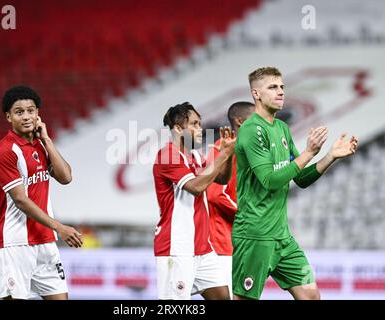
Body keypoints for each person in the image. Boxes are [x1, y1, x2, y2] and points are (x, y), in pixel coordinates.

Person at [232, 67, 358, 300]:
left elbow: (299, 178)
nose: (280, 92)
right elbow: (270, 180)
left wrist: (330, 156)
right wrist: (309, 152)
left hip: (282, 237)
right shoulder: (251, 131)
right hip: (255, 235)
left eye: (282, 87)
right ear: (256, 94)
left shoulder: (281, 128)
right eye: (272, 87)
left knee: (311, 296)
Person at [0, 85, 83, 300]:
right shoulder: (5, 151)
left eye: (31, 111)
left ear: (38, 114)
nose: (26, 117)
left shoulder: (41, 146)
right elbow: (21, 200)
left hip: (45, 242)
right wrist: (60, 227)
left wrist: (47, 141)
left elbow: (66, 177)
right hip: (15, 244)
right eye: (19, 112)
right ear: (8, 117)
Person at [153, 102, 235, 300]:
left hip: (202, 248)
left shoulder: (196, 156)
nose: (200, 129)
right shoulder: (168, 155)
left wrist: (227, 155)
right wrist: (222, 155)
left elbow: (222, 179)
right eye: (195, 124)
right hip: (177, 248)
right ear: (179, 128)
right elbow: (197, 188)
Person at [206, 101, 254, 299]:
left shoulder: (251, 150)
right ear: (240, 121)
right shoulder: (223, 148)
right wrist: (251, 216)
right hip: (222, 241)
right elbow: (215, 194)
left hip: (243, 239)